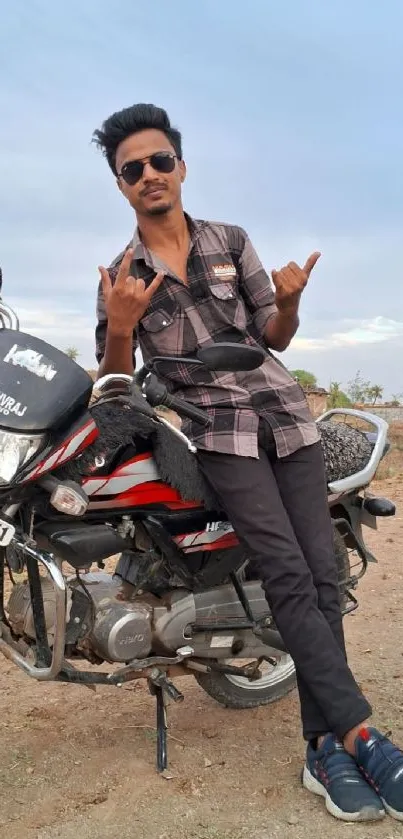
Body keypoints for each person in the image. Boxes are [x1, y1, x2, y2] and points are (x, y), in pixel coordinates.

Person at [93, 103, 403, 823]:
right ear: (120, 185)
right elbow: (112, 385)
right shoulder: (119, 275)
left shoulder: (230, 239)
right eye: (131, 169)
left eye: (158, 160)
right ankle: (360, 732)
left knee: (321, 573)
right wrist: (120, 328)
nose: (148, 175)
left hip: (284, 417)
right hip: (218, 433)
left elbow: (275, 337)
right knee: (287, 571)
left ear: (180, 164)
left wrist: (289, 305)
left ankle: (321, 745)